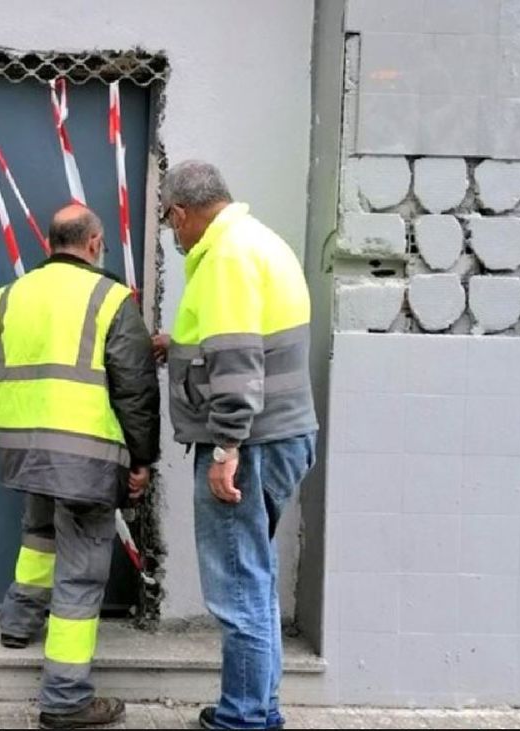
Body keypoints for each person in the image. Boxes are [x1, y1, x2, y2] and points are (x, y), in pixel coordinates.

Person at [155, 161, 317, 731]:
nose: (173, 235)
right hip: (282, 434)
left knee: (238, 585)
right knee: (255, 577)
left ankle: (245, 717)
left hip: (250, 444)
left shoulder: (223, 257)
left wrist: (226, 449)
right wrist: (178, 346)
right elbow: (246, 340)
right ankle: (259, 707)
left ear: (181, 213)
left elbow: (237, 361)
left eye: (169, 222)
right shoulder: (259, 242)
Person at [0, 205, 160, 729]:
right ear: (94, 243)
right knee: (82, 574)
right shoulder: (110, 298)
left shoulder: (8, 295)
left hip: (25, 445)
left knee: (39, 534)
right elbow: (134, 389)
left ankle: (18, 622)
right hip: (84, 455)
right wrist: (141, 459)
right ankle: (65, 697)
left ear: (49, 241)